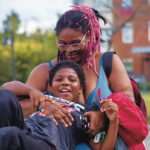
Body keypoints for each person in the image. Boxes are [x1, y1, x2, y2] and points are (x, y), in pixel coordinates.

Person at [2, 4, 148, 150]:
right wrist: (43, 103)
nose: (69, 50)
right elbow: (16, 104)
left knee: (12, 136)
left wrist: (103, 118)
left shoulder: (108, 63)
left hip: (72, 142)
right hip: (33, 134)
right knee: (8, 119)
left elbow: (128, 105)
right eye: (63, 44)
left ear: (90, 36)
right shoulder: (46, 71)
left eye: (75, 43)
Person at [0, 61, 119, 150]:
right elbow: (6, 87)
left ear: (80, 88)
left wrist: (114, 122)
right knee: (6, 97)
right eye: (59, 79)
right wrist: (32, 91)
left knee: (10, 135)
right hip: (25, 129)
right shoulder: (43, 96)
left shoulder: (85, 112)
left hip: (47, 143)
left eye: (72, 80)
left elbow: (101, 148)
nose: (65, 83)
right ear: (51, 85)